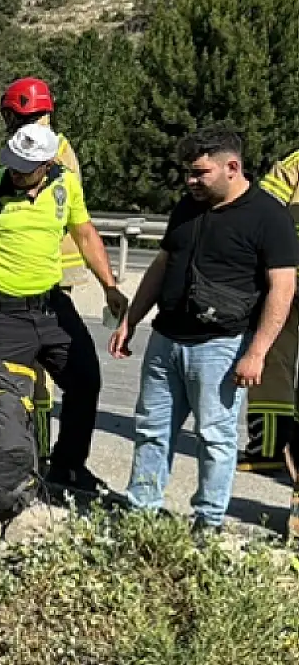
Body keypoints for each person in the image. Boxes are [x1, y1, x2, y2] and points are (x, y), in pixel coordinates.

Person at [109, 127, 298, 530]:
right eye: (188, 174)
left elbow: (282, 287)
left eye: (200, 173)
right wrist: (132, 320)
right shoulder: (187, 207)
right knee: (151, 431)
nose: (190, 182)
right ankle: (140, 515)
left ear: (233, 167)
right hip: (165, 340)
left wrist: (257, 351)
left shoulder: (268, 216)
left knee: (215, 438)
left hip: (221, 347)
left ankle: (207, 523)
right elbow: (162, 265)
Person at [0, 123, 128, 495]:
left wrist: (110, 286)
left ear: (47, 162)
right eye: (13, 164)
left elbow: (85, 233)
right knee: (1, 398)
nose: (16, 173)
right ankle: (2, 475)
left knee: (85, 380)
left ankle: (67, 468)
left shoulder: (64, 184)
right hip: (1, 314)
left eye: (26, 166)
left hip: (52, 306)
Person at [0, 78, 85, 459]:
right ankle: (41, 448)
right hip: (56, 269)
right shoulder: (60, 146)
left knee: (33, 370)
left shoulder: (40, 151)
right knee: (41, 370)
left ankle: (35, 449)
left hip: (39, 273)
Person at [240, 144, 299, 473]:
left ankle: (268, 450)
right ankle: (275, 450)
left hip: (287, 277)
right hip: (288, 279)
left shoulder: (296, 162)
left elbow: (263, 207)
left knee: (273, 362)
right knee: (273, 360)